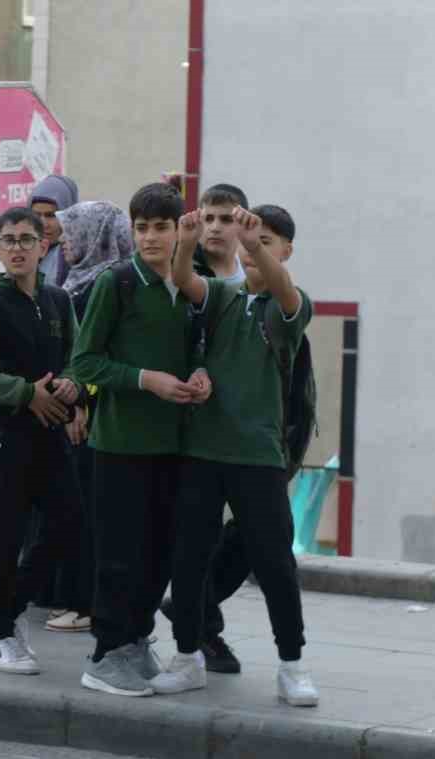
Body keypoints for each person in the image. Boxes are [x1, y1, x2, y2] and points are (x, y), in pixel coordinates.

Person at [154, 205, 318, 706]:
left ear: (286, 251)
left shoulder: (290, 305)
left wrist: (252, 248)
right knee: (188, 557)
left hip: (258, 456)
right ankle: (186, 658)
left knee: (273, 564)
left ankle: (291, 666)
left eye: (267, 242)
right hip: (203, 451)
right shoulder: (222, 295)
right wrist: (185, 238)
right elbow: (184, 278)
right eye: (252, 241)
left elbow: (283, 290)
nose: (253, 249)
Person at [67, 181, 211, 697]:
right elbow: (84, 362)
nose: (150, 237)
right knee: (119, 555)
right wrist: (144, 379)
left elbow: (200, 346)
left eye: (161, 227)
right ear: (131, 230)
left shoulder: (192, 286)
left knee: (158, 553)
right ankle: (107, 654)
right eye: (142, 227)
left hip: (175, 445)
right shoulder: (117, 284)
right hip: (120, 445)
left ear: (178, 232)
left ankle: (135, 641)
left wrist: (199, 374)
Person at [0, 206, 81, 674]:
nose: (19, 248)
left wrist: (71, 385)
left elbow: (77, 358)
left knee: (70, 523)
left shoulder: (58, 302)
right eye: (9, 240)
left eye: (28, 239)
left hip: (47, 434)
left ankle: (6, 605)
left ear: (44, 246)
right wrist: (25, 393)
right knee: (4, 536)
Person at [38, 199, 135, 635]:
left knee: (88, 512)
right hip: (74, 412)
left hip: (91, 420)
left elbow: (101, 355)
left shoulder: (106, 284)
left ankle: (86, 604)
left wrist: (82, 406)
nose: (67, 241)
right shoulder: (82, 278)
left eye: (74, 232)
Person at [30, 174, 80, 287]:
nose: (43, 224)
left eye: (51, 215)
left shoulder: (76, 256)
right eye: (36, 215)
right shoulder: (25, 250)